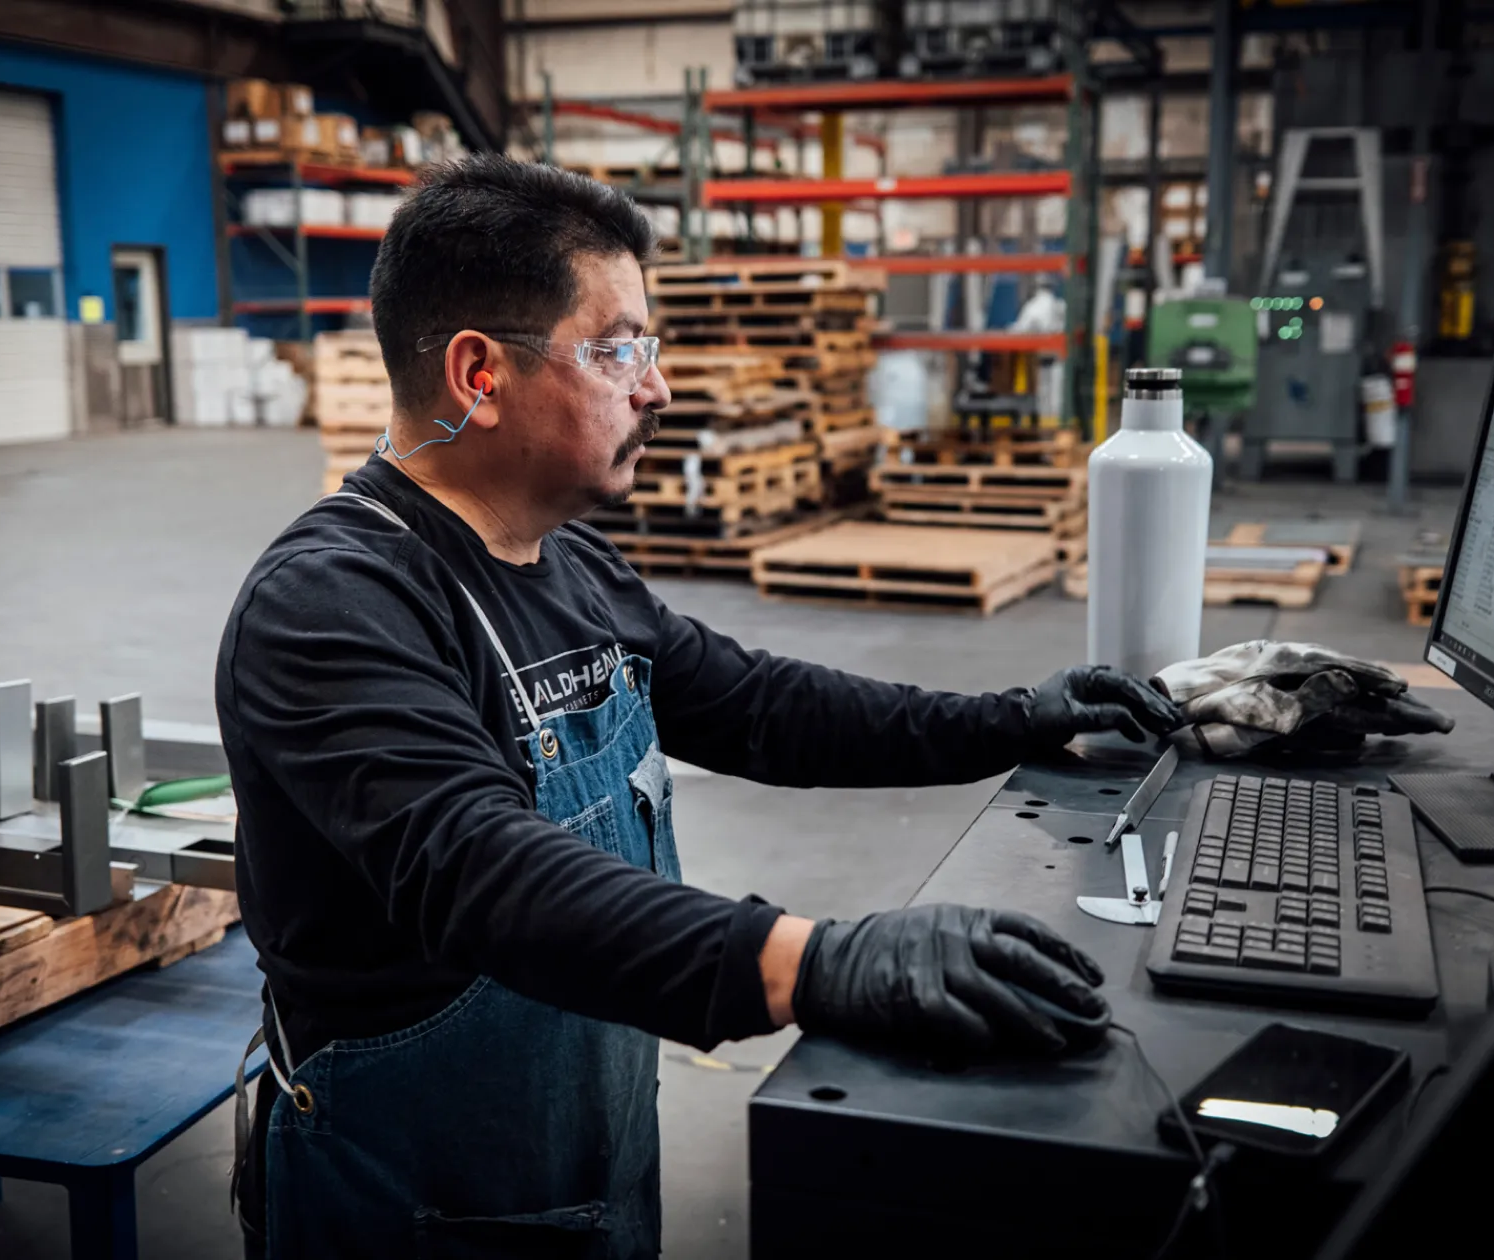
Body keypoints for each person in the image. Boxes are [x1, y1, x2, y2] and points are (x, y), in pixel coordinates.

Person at [217, 155, 1182, 1259]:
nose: (658, 386)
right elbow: (481, 871)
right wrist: (811, 964)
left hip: (584, 1175)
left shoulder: (567, 562)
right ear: (479, 375)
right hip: (410, 1205)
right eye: (618, 346)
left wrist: (1019, 717)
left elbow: (761, 705)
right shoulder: (333, 603)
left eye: (652, 347)